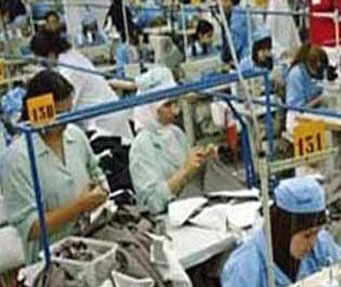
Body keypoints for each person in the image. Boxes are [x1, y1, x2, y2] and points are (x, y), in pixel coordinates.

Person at [1, 70, 108, 263]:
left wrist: (101, 191)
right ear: (37, 110)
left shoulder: (75, 135)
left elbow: (96, 172)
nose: (65, 121)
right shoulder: (19, 158)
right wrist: (80, 206)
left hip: (89, 240)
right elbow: (31, 228)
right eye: (58, 114)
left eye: (68, 112)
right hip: (49, 259)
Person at [129, 68, 217, 215]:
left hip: (191, 206)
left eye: (175, 103)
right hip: (166, 217)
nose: (176, 111)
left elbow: (190, 178)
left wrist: (203, 161)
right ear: (151, 108)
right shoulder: (142, 146)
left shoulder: (175, 133)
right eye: (167, 105)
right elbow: (151, 203)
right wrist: (185, 170)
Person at [29, 31, 134, 141]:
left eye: (41, 61)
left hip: (104, 121)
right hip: (105, 115)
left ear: (50, 54)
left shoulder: (70, 69)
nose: (42, 64)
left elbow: (67, 107)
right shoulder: (70, 57)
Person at [285, 43, 328, 134]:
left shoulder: (315, 73)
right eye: (317, 68)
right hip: (296, 120)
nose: (319, 72)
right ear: (310, 63)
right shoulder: (296, 74)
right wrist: (319, 99)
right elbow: (298, 109)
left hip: (314, 114)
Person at [220, 0, 250, 65]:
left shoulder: (237, 14)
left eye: (224, 1)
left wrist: (225, 59)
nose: (222, 5)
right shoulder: (234, 13)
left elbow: (235, 43)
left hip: (244, 58)